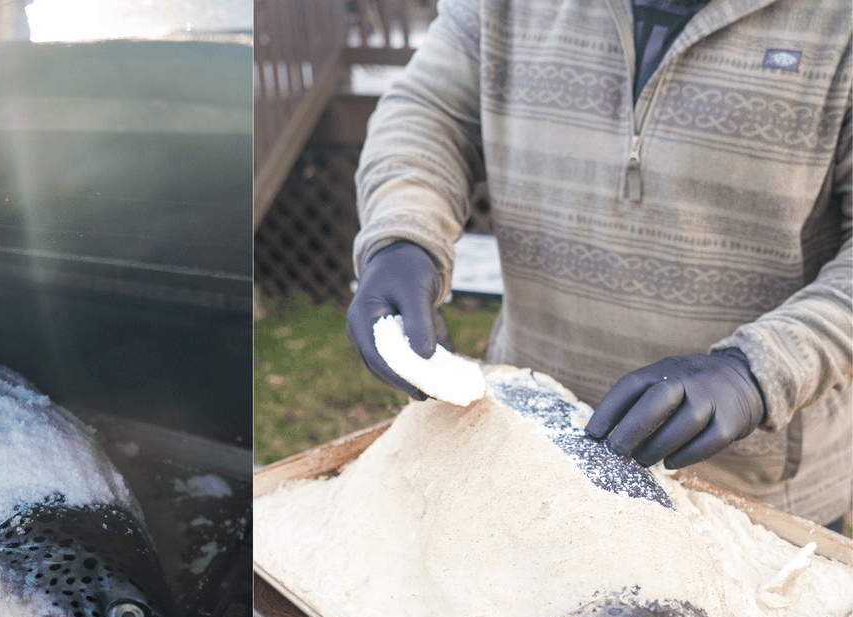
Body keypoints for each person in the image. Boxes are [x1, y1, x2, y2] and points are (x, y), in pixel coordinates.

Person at [346, 0, 851, 530]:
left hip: (747, 500)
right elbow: (427, 113)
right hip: (520, 461)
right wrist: (401, 239)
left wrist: (759, 370)